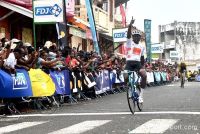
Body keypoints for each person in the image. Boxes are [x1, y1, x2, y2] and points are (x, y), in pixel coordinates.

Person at [125, 18, 147, 103]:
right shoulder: (129, 43)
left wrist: (143, 67)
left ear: (140, 37)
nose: (136, 37)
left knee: (144, 76)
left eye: (138, 36)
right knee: (126, 77)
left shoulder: (142, 46)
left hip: (138, 64)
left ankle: (141, 96)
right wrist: (130, 25)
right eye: (135, 36)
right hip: (129, 63)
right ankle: (130, 89)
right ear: (133, 37)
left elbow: (142, 58)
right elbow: (128, 35)